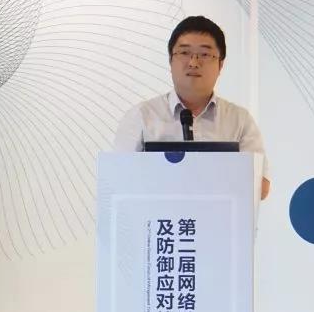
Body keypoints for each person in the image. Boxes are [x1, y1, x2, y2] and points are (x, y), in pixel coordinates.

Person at [113, 15, 271, 200]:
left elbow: (260, 187)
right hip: (159, 217)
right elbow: (118, 180)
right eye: (184, 53)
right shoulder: (141, 116)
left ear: (220, 65)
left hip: (218, 218)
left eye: (204, 54)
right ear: (170, 61)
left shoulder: (239, 120)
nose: (194, 62)